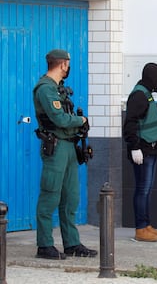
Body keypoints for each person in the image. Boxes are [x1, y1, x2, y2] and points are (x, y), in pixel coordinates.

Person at [33, 49, 97, 260]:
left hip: (69, 147)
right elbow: (60, 119)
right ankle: (44, 245)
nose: (68, 67)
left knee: (71, 198)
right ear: (62, 65)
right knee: (50, 196)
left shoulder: (58, 88)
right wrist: (81, 121)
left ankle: (72, 243)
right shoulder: (45, 89)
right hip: (56, 148)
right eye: (68, 64)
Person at [123, 63, 157, 242]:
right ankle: (140, 228)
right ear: (152, 77)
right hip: (142, 150)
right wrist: (134, 147)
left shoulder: (146, 93)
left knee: (147, 190)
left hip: (151, 148)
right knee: (142, 190)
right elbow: (130, 123)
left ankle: (147, 225)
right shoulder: (139, 95)